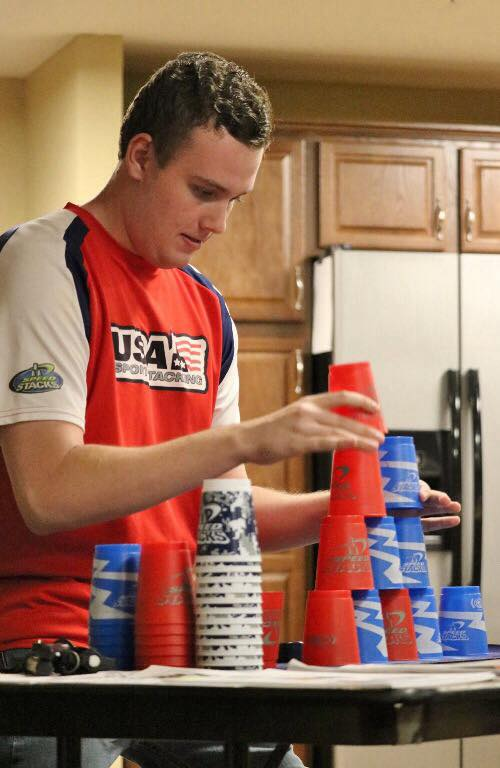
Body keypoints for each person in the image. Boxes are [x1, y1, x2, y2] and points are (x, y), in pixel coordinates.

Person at [0, 52, 459, 768]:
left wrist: (354, 509)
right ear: (141, 157)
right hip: (46, 653)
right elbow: (48, 491)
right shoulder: (45, 262)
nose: (217, 222)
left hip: (179, 646)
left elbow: (222, 512)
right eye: (203, 191)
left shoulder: (206, 308)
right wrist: (245, 440)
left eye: (234, 200)